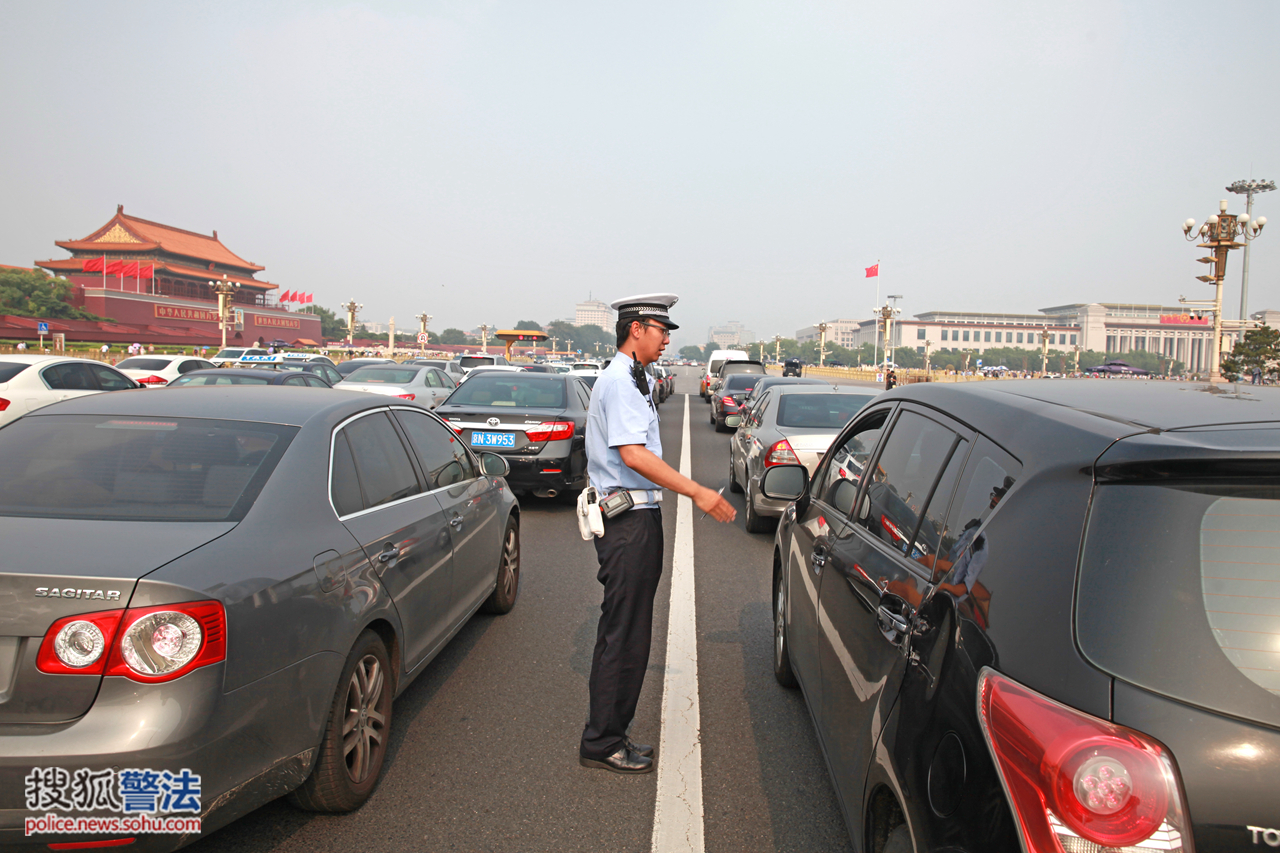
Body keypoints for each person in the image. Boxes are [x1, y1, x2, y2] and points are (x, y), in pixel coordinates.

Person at [579, 293, 735, 775]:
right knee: (624, 636)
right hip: (627, 523)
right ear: (636, 330)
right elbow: (634, 455)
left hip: (636, 518)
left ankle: (611, 733)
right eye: (661, 330)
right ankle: (602, 741)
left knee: (630, 634)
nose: (667, 339)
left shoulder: (633, 377)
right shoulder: (620, 381)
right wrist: (699, 493)